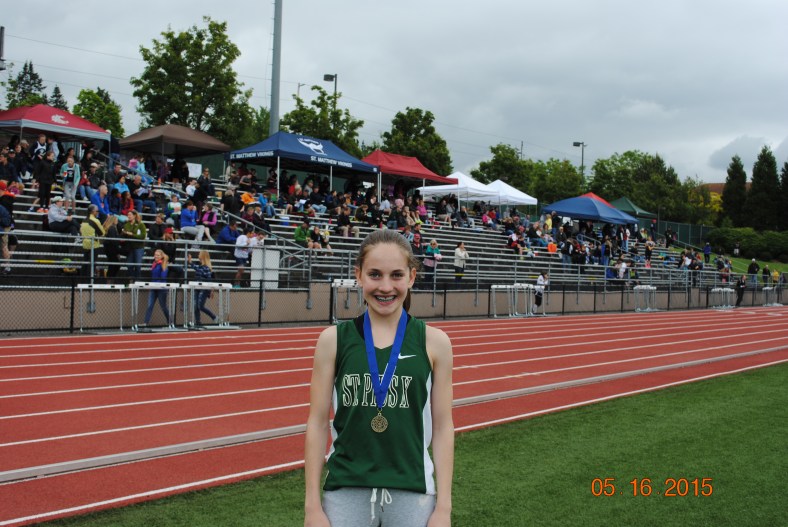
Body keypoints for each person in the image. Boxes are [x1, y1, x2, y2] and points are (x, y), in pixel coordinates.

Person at [304, 229, 454, 527]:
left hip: (413, 490)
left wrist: (444, 508)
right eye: (375, 274)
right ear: (358, 275)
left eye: (396, 275)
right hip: (345, 490)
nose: (386, 287)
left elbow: (442, 427)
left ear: (411, 277)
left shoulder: (434, 342)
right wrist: (312, 507)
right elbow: (317, 423)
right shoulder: (334, 340)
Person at [188, 250, 219, 326]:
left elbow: (209, 279)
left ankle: (214, 317)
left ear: (202, 256)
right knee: (195, 306)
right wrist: (190, 262)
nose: (198, 255)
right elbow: (197, 268)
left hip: (204, 289)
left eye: (199, 254)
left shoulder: (207, 268)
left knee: (200, 306)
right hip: (197, 287)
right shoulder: (201, 266)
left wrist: (211, 289)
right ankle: (198, 322)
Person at [142, 249, 171, 327]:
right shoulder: (154, 264)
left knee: (163, 306)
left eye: (158, 255)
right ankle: (145, 322)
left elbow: (163, 277)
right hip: (153, 288)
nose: (156, 256)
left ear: (161, 256)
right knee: (150, 305)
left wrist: (156, 283)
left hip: (161, 289)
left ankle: (170, 321)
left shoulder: (163, 264)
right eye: (155, 255)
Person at [79, 204, 105, 276]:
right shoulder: (95, 221)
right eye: (97, 211)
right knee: (92, 264)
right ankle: (89, 280)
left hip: (85, 244)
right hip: (94, 245)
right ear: (93, 211)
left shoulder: (83, 220)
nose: (98, 213)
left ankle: (82, 280)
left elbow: (80, 231)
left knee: (85, 262)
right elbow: (102, 233)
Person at [122, 210, 147, 278]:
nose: (128, 216)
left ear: (134, 216)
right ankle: (132, 279)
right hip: (130, 247)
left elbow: (143, 236)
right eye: (128, 215)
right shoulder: (126, 224)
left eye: (130, 215)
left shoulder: (141, 224)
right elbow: (124, 233)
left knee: (138, 266)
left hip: (139, 247)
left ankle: (137, 281)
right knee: (129, 265)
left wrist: (132, 234)